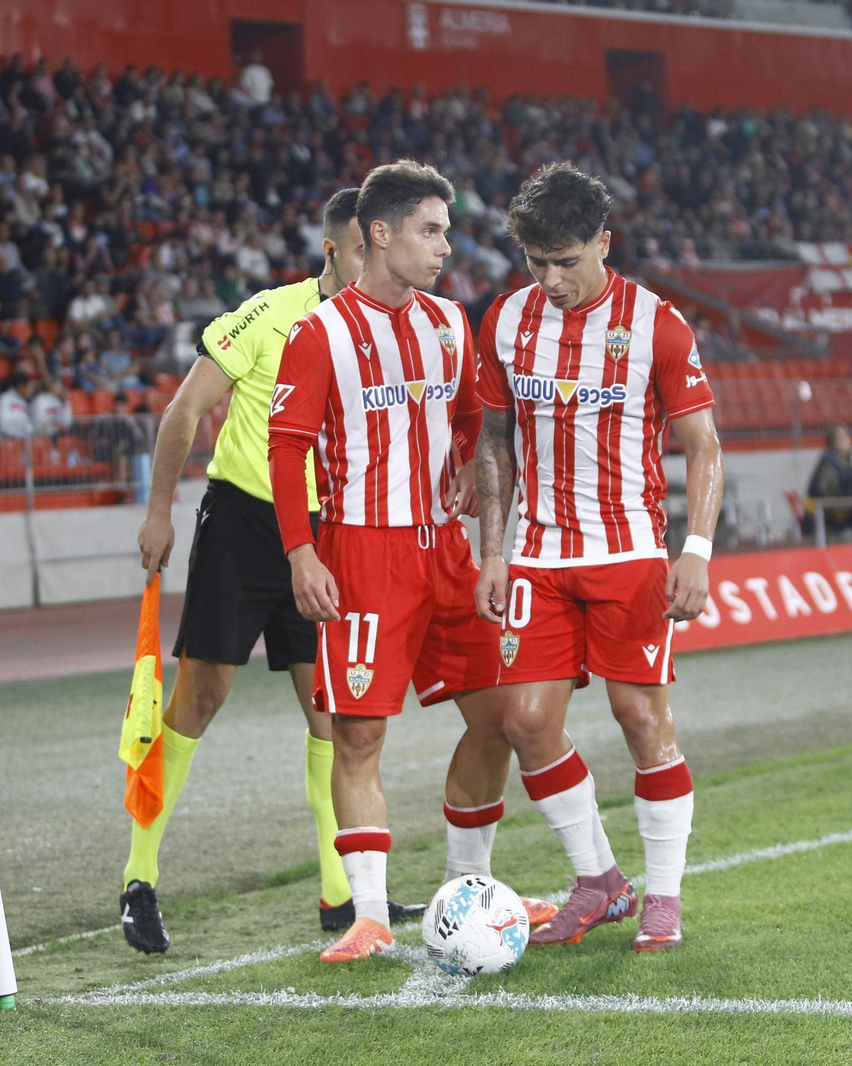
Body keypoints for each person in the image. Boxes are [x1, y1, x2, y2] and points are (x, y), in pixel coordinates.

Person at [122, 189, 428, 953]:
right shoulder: (268, 314)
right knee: (198, 700)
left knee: (331, 714)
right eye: (361, 251)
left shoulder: (388, 330)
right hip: (244, 525)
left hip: (328, 537)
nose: (373, 264)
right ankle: (138, 880)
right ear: (334, 250)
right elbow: (184, 412)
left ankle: (342, 896)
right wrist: (159, 512)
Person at [267, 161, 517, 964]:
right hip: (363, 552)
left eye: (446, 231)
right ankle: (369, 915)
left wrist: (474, 488)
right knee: (359, 737)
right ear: (380, 233)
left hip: (446, 552)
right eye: (430, 230)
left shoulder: (449, 322)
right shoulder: (321, 333)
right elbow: (286, 449)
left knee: (502, 718)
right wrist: (301, 552)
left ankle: (467, 887)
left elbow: (474, 421)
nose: (446, 247)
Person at [473, 163, 723, 953]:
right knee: (525, 723)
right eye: (536, 261)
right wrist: (492, 550)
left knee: (641, 718)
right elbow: (493, 441)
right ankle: (601, 881)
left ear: (603, 244)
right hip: (537, 554)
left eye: (566, 261)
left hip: (630, 552)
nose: (550, 279)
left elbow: (704, 445)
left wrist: (696, 550)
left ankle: (664, 897)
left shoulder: (656, 324)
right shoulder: (505, 320)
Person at [0, 375, 35, 439]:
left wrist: (29, 434)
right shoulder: (4, 399)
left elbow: (27, 425)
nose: (32, 390)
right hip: (3, 441)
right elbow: (2, 425)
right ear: (20, 386)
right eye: (30, 387)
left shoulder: (23, 402)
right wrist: (21, 435)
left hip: (21, 440)